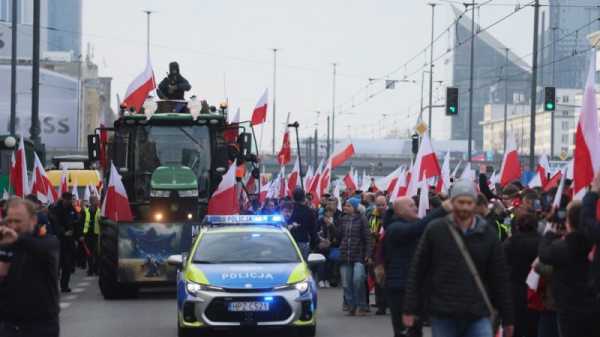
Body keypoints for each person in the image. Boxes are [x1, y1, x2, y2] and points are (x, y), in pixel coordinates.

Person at [403, 180, 514, 337]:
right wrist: (410, 308)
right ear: (452, 202)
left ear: (475, 204)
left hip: (478, 312)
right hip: (444, 312)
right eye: (460, 202)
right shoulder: (435, 230)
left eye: (469, 202)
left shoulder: (487, 233)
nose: (464, 207)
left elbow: (499, 277)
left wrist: (508, 318)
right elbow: (418, 270)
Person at [383, 196, 451, 337]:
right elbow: (417, 229)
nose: (415, 208)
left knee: (415, 329)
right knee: (404, 329)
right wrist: (442, 209)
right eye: (411, 205)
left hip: (415, 286)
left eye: (415, 204)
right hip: (400, 286)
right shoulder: (395, 228)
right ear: (400, 210)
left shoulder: (413, 224)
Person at [538, 200, 600, 337]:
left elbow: (544, 254)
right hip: (594, 306)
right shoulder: (593, 243)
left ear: (569, 222)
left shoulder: (563, 247)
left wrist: (549, 233)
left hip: (568, 309)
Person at [0, 198, 60, 337]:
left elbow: (41, 249)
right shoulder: (4, 243)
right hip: (9, 325)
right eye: (10, 221)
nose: (13, 226)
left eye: (18, 221)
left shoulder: (48, 242)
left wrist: (17, 239)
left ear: (33, 220)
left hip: (40, 326)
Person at [503, 212, 541, 337]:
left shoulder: (510, 243)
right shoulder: (542, 242)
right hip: (536, 288)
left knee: (516, 325)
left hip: (515, 287)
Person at [338, 197, 372, 316]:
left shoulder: (362, 219)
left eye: (348, 206)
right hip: (344, 256)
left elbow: (368, 238)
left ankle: (361, 306)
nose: (345, 207)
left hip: (359, 255)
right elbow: (339, 236)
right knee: (346, 283)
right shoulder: (342, 219)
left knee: (358, 280)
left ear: (355, 207)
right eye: (345, 205)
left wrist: (368, 254)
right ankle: (351, 306)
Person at [49, 192, 80, 293]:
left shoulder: (71, 209)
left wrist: (77, 236)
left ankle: (64, 286)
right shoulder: (56, 209)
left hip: (69, 241)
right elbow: (55, 223)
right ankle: (52, 287)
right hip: (58, 241)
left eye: (70, 199)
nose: (69, 201)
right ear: (63, 199)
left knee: (67, 265)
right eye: (67, 199)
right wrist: (63, 232)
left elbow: (76, 221)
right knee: (56, 266)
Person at [367, 195, 388, 315]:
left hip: (386, 250)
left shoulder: (390, 216)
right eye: (378, 205)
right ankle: (381, 304)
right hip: (375, 250)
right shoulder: (371, 215)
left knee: (385, 278)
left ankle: (386, 303)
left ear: (386, 204)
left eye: (382, 205)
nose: (380, 207)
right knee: (377, 277)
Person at [287, 188, 318, 260]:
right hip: (303, 242)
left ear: (293, 197)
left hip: (287, 242)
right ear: (304, 197)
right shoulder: (309, 212)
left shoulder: (288, 209)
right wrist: (313, 246)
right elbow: (312, 230)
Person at [82, 195, 101, 276]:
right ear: (91, 201)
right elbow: (81, 223)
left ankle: (96, 269)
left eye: (96, 200)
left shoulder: (99, 211)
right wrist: (81, 235)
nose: (96, 201)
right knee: (89, 253)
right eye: (94, 200)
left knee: (96, 253)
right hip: (87, 234)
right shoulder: (85, 211)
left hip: (96, 234)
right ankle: (90, 270)